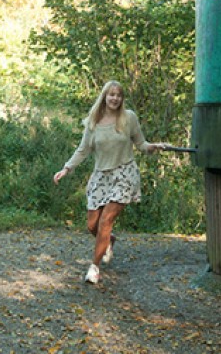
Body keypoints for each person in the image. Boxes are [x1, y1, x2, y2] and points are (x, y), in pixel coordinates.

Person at [52, 81, 167, 285]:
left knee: (106, 221)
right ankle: (109, 240)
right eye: (111, 95)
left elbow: (141, 143)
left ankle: (94, 268)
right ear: (104, 96)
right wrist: (66, 168)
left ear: (122, 99)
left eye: (119, 95)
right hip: (101, 176)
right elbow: (83, 150)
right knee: (92, 226)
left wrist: (154, 146)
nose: (115, 99)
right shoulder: (92, 122)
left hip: (124, 173)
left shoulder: (128, 118)